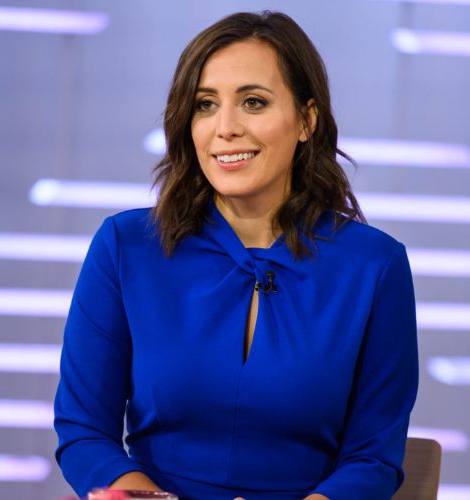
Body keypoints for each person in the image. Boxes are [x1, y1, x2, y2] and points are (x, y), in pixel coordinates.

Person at [54, 10, 418, 500]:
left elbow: (373, 457)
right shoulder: (125, 246)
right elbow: (84, 431)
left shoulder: (375, 266)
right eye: (205, 105)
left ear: (306, 120)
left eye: (253, 102)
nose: (225, 128)